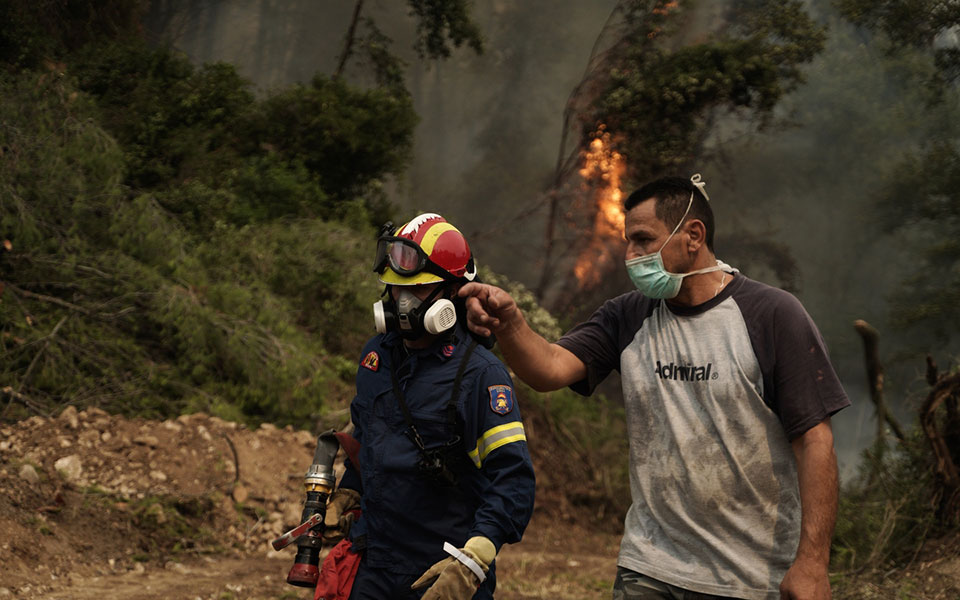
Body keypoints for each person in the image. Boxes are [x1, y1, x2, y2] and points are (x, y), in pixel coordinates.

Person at [459, 175, 850, 600]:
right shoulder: (628, 316)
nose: (631, 256)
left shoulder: (771, 315)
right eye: (628, 242)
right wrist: (511, 323)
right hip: (648, 566)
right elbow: (549, 369)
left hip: (749, 577)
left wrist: (812, 562)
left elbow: (815, 441)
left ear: (693, 236)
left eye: (644, 240)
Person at [325, 213, 536, 600]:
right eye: (393, 289)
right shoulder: (376, 357)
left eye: (417, 291)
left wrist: (473, 561)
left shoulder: (481, 375)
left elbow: (513, 479)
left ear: (455, 293)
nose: (400, 302)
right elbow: (366, 440)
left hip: (441, 573)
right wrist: (349, 493)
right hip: (373, 565)